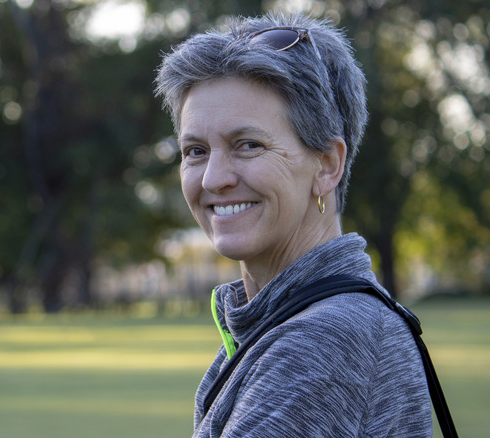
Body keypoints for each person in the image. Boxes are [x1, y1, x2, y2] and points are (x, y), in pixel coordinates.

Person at [154, 12, 432, 437]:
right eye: (195, 151)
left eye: (248, 145)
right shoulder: (287, 319)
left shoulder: (326, 338)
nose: (213, 178)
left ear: (326, 165)